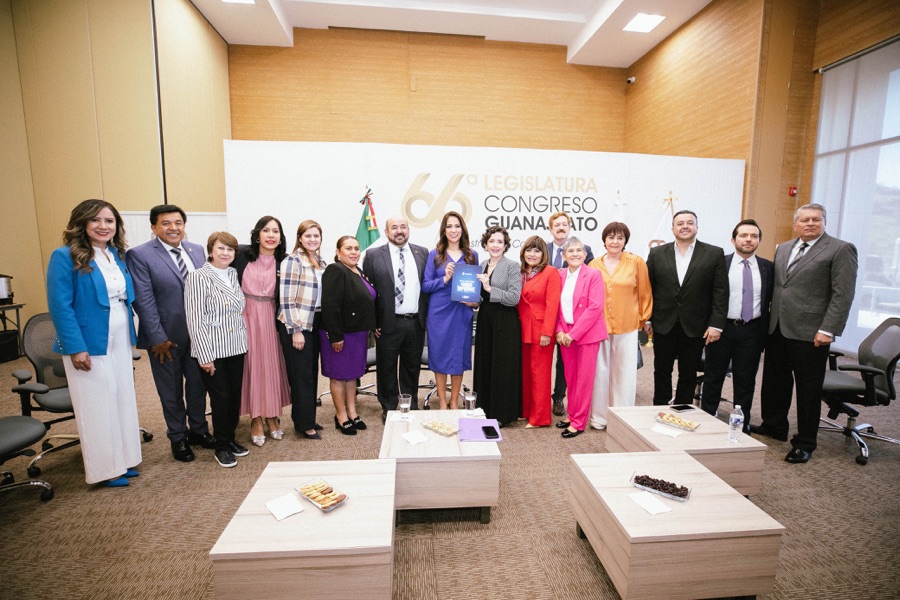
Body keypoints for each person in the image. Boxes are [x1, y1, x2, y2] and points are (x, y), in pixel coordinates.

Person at [752, 204, 858, 464]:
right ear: (795, 224)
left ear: (824, 222)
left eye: (816, 219)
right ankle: (774, 425)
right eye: (805, 220)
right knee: (775, 382)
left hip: (812, 332)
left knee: (808, 390)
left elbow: (842, 294)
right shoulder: (784, 248)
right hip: (778, 327)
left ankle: (805, 442)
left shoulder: (840, 249)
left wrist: (828, 329)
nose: (810, 223)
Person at [46, 199, 141, 487]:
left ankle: (124, 460)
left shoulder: (115, 254)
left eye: (109, 221)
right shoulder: (64, 256)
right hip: (88, 340)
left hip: (119, 335)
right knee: (97, 404)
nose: (103, 226)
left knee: (122, 397)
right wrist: (75, 347)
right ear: (82, 223)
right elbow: (60, 306)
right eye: (96, 220)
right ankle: (105, 471)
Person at [127, 205, 214, 463]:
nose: (173, 228)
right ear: (154, 227)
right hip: (165, 339)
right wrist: (157, 338)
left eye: (178, 223)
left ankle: (198, 431)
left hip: (197, 335)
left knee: (198, 386)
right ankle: (178, 437)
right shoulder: (140, 255)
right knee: (171, 390)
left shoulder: (196, 250)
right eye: (166, 223)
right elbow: (143, 300)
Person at [644, 210, 728, 406]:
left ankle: (683, 407)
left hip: (696, 324)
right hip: (663, 322)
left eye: (690, 223)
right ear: (673, 228)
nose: (685, 226)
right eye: (680, 223)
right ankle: (659, 407)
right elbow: (648, 288)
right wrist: (647, 318)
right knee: (661, 369)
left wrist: (716, 324)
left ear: (697, 227)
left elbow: (721, 291)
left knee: (688, 371)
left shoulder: (714, 254)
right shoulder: (657, 253)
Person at [700, 219, 774, 431]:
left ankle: (742, 423)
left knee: (746, 380)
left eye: (754, 236)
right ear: (733, 240)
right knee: (713, 377)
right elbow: (708, 297)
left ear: (759, 240)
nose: (748, 239)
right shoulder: (720, 263)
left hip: (752, 330)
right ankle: (708, 417)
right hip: (721, 328)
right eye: (743, 235)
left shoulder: (768, 268)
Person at [184, 232, 250, 467]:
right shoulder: (198, 277)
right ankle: (221, 446)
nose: (225, 253)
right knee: (220, 399)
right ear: (210, 250)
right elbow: (195, 320)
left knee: (234, 397)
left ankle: (230, 438)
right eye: (221, 248)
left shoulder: (232, 273)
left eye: (230, 249)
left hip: (236, 346)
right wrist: (205, 356)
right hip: (212, 350)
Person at [362, 215, 429, 421]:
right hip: (387, 324)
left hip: (415, 322)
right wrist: (373, 323)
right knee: (386, 368)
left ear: (408, 230)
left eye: (403, 227)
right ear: (386, 232)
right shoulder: (373, 255)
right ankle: (389, 407)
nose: (399, 231)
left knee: (411, 367)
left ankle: (411, 404)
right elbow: (368, 292)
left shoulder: (422, 253)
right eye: (394, 227)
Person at [233, 216, 291, 447]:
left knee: (271, 367)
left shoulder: (284, 261)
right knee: (252, 368)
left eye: (275, 231)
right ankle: (256, 418)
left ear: (281, 237)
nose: (271, 235)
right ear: (257, 235)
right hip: (245, 316)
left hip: (270, 317)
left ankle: (271, 415)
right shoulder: (241, 256)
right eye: (266, 230)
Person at [588, 222, 652, 429]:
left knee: (623, 373)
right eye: (611, 237)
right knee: (600, 373)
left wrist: (643, 319)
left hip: (627, 324)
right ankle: (599, 418)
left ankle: (622, 420)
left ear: (625, 241)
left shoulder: (636, 262)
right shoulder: (594, 264)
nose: (615, 242)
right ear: (604, 240)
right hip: (599, 326)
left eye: (620, 238)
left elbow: (645, 293)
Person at [320, 236, 377, 435]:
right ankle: (341, 415)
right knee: (338, 376)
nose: (353, 252)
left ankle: (352, 412)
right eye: (348, 248)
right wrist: (335, 336)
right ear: (338, 252)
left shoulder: (358, 271)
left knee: (352, 376)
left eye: (356, 248)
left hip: (358, 334)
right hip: (340, 334)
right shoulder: (335, 270)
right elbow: (330, 306)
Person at [422, 211, 479, 409]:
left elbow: (476, 287)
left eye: (457, 226)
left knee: (457, 356)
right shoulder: (435, 255)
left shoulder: (472, 255)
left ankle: (454, 401)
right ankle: (442, 402)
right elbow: (426, 286)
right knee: (439, 356)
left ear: (462, 229)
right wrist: (444, 278)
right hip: (439, 313)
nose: (453, 230)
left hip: (461, 313)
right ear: (444, 230)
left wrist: (474, 302)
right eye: (449, 226)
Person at [554, 237, 607, 438]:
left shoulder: (593, 274)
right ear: (563, 255)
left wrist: (573, 334)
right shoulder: (560, 275)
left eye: (579, 250)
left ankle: (579, 422)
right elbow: (556, 306)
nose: (575, 254)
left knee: (584, 380)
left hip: (586, 335)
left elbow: (595, 307)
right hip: (565, 334)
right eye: (571, 251)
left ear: (585, 255)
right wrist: (560, 330)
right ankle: (572, 414)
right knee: (571, 378)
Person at [278, 220, 326, 439]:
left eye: (316, 236)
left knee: (311, 372)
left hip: (314, 322)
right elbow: (286, 299)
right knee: (301, 376)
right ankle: (304, 424)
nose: (312, 239)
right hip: (297, 324)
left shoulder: (319, 261)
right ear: (299, 238)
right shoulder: (292, 261)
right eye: (308, 236)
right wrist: (295, 330)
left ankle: (308, 417)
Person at [473, 226, 522, 427]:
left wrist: (489, 288)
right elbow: (480, 296)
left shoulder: (512, 266)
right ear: (485, 244)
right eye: (492, 241)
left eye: (499, 242)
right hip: (485, 319)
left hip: (505, 321)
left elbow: (514, 298)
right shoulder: (482, 265)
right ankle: (484, 409)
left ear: (505, 245)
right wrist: (471, 299)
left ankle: (501, 414)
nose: (495, 245)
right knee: (485, 364)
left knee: (502, 368)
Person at [547, 211, 594, 417]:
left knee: (564, 362)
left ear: (569, 227)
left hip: (571, 318)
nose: (560, 228)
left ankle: (559, 397)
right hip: (548, 314)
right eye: (556, 225)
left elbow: (587, 282)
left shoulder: (585, 251)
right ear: (551, 229)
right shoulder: (543, 249)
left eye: (564, 224)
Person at [517, 236, 560, 428]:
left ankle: (540, 417)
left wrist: (547, 332)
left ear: (543, 254)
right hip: (521, 329)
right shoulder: (520, 273)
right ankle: (526, 411)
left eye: (537, 251)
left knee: (540, 375)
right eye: (529, 250)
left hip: (541, 332)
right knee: (525, 373)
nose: (532, 254)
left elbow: (553, 305)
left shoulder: (550, 272)